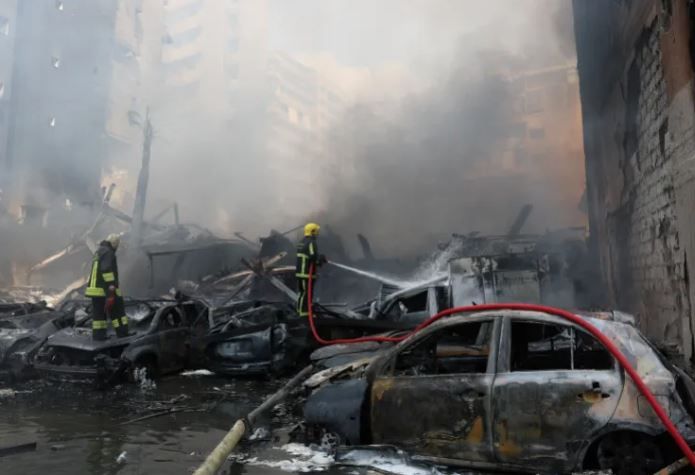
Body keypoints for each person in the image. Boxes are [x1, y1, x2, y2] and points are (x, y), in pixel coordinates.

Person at [84, 233, 129, 340]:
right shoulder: (108, 252)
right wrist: (111, 287)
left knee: (99, 315)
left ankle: (99, 336)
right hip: (104, 289)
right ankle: (123, 334)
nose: (117, 248)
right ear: (114, 244)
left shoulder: (99, 251)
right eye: (117, 245)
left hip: (94, 290)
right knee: (117, 310)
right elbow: (106, 270)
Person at [295, 223, 326, 317]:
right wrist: (320, 260)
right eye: (316, 231)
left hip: (300, 273)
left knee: (302, 293)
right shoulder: (311, 242)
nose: (317, 233)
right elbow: (313, 256)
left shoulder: (302, 242)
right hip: (306, 273)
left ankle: (300, 311)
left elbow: (308, 254)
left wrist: (319, 257)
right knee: (307, 294)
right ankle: (305, 314)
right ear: (312, 232)